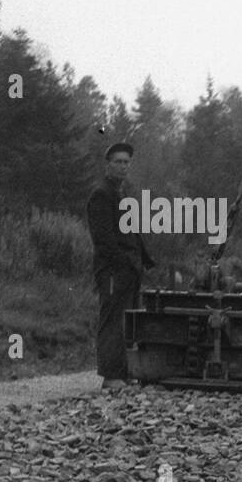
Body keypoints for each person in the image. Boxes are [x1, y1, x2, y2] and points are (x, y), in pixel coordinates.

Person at [86, 142, 154, 391]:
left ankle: (124, 373)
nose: (123, 166)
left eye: (127, 162)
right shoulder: (101, 194)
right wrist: (124, 262)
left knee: (127, 320)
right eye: (118, 162)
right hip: (114, 270)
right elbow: (102, 239)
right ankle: (111, 375)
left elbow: (131, 232)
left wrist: (144, 259)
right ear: (108, 165)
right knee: (113, 319)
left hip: (129, 268)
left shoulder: (121, 193)